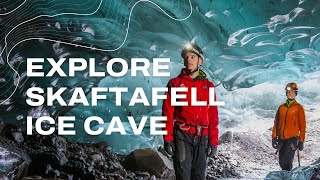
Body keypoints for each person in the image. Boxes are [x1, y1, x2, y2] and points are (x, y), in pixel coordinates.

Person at [162, 43, 219, 180]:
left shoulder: (208, 86)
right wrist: (167, 138)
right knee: (183, 175)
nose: (189, 60)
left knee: (199, 176)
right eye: (186, 57)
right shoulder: (174, 84)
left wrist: (214, 141)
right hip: (182, 135)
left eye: (193, 56)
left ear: (200, 61)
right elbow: (168, 112)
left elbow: (213, 115)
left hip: (202, 136)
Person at [272, 82, 306, 171]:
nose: (289, 93)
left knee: (286, 163)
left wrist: (301, 141)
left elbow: (303, 126)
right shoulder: (281, 108)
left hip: (292, 140)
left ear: (295, 93)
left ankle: (288, 176)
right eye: (288, 91)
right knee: (281, 162)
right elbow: (276, 123)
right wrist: (274, 137)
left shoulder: (299, 108)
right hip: (281, 139)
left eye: (292, 91)